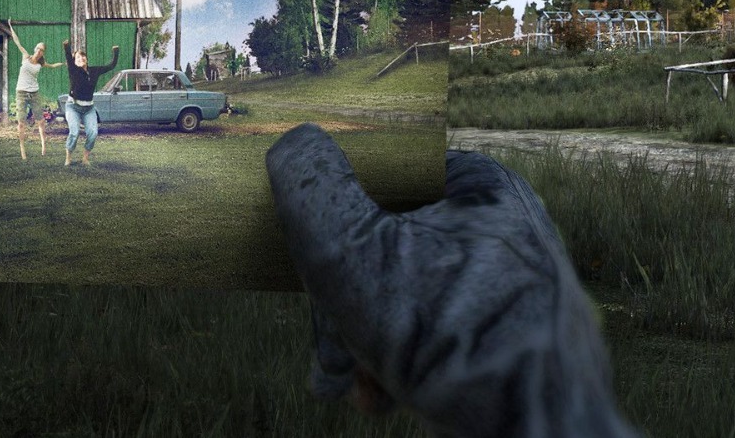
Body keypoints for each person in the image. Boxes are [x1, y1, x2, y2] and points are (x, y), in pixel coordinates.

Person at [265, 123, 640, 438]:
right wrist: (334, 370)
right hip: (506, 208)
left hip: (507, 218)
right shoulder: (396, 307)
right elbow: (304, 168)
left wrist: (332, 375)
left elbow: (299, 152)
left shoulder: (406, 314)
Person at [6, 20, 62, 160]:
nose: (39, 51)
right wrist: (10, 26)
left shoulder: (41, 64)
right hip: (21, 93)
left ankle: (43, 147)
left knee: (41, 121)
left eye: (42, 50)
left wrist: (64, 63)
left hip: (34, 93)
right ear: (35, 49)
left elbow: (52, 66)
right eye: (38, 48)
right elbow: (17, 42)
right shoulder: (25, 57)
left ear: (43, 53)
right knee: (21, 122)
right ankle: (22, 150)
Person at [61, 39, 118, 166]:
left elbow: (112, 66)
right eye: (77, 57)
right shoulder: (73, 70)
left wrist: (116, 51)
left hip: (89, 108)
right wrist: (66, 47)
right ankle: (68, 158)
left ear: (86, 59)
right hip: (73, 107)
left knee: (93, 133)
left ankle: (85, 159)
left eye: (83, 56)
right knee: (74, 132)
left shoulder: (94, 71)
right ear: (74, 61)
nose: (81, 58)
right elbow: (69, 59)